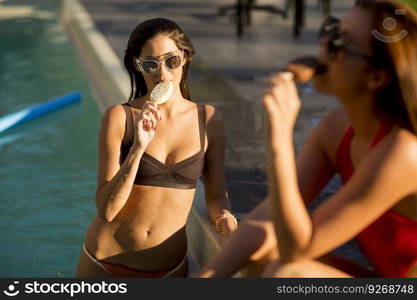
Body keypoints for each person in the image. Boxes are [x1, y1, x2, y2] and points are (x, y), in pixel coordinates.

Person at [200, 0, 417, 278]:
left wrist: (278, 138)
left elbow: (297, 249)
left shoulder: (401, 152)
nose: (324, 42)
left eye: (339, 42)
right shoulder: (336, 129)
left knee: (289, 272)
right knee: (265, 254)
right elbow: (267, 218)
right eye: (331, 29)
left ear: (375, 77)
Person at [75, 18, 237, 278]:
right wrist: (138, 148)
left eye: (171, 60)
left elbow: (217, 195)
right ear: (138, 67)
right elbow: (106, 211)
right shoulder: (120, 117)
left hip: (168, 271)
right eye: (151, 64)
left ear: (184, 57)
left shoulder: (207, 120)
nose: (163, 74)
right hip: (104, 265)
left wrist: (226, 222)